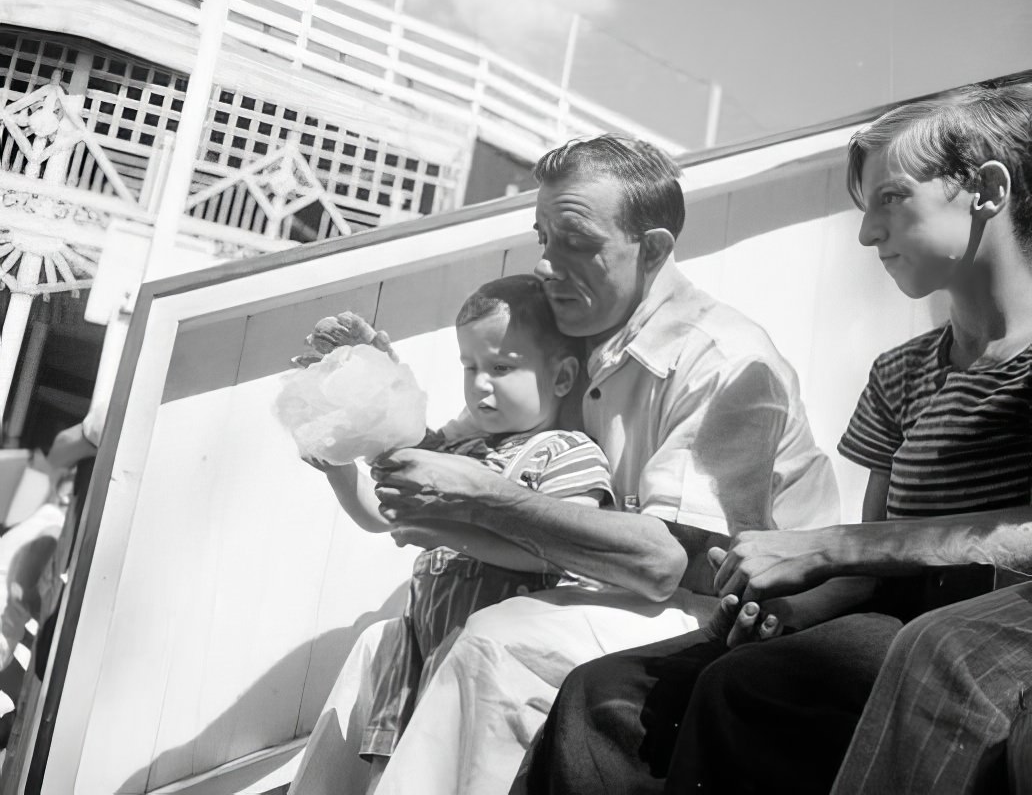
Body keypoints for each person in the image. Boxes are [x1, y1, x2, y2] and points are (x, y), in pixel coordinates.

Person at [288, 135, 839, 795]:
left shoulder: (723, 358)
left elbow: (670, 562)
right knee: (384, 643)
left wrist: (483, 498)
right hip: (625, 583)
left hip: (731, 612)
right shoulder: (569, 338)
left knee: (499, 639)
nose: (548, 263)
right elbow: (455, 455)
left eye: (574, 239)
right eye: (542, 237)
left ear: (655, 250)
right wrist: (377, 389)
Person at [523, 84, 1032, 795]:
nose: (866, 234)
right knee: (603, 695)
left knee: (745, 693)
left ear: (986, 189)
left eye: (892, 198)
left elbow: (926, 544)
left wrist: (828, 547)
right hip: (892, 612)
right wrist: (790, 608)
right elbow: (876, 555)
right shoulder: (903, 372)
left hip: (986, 626)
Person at [319, 275, 614, 791]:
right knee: (388, 780)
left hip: (492, 669)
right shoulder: (457, 454)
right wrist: (340, 473)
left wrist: (447, 531)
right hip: (422, 651)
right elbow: (382, 517)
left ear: (563, 376)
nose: (480, 383)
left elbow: (556, 553)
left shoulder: (567, 452)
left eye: (501, 367)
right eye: (470, 367)